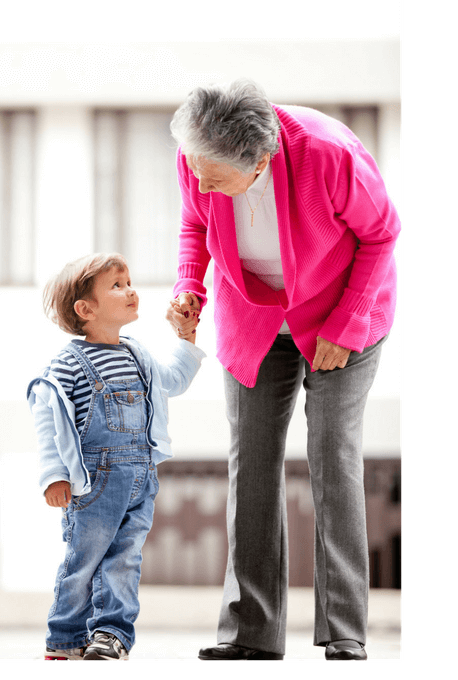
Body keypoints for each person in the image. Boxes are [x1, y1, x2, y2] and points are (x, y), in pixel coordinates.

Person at [165, 80, 400, 663]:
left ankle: (345, 633)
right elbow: (195, 225)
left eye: (214, 175)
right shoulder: (197, 155)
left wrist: (345, 326)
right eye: (194, 168)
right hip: (253, 316)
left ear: (260, 160)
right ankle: (250, 635)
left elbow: (382, 234)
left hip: (342, 308)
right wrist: (188, 285)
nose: (199, 181)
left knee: (332, 456)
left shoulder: (326, 153)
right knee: (251, 462)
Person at [27, 252, 206, 662]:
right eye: (117, 285)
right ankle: (65, 639)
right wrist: (54, 475)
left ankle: (110, 636)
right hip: (93, 483)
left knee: (125, 559)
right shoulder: (69, 365)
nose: (131, 290)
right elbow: (47, 417)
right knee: (83, 561)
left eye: (129, 281)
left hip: (140, 479)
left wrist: (187, 336)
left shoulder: (138, 354)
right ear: (86, 309)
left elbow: (174, 381)